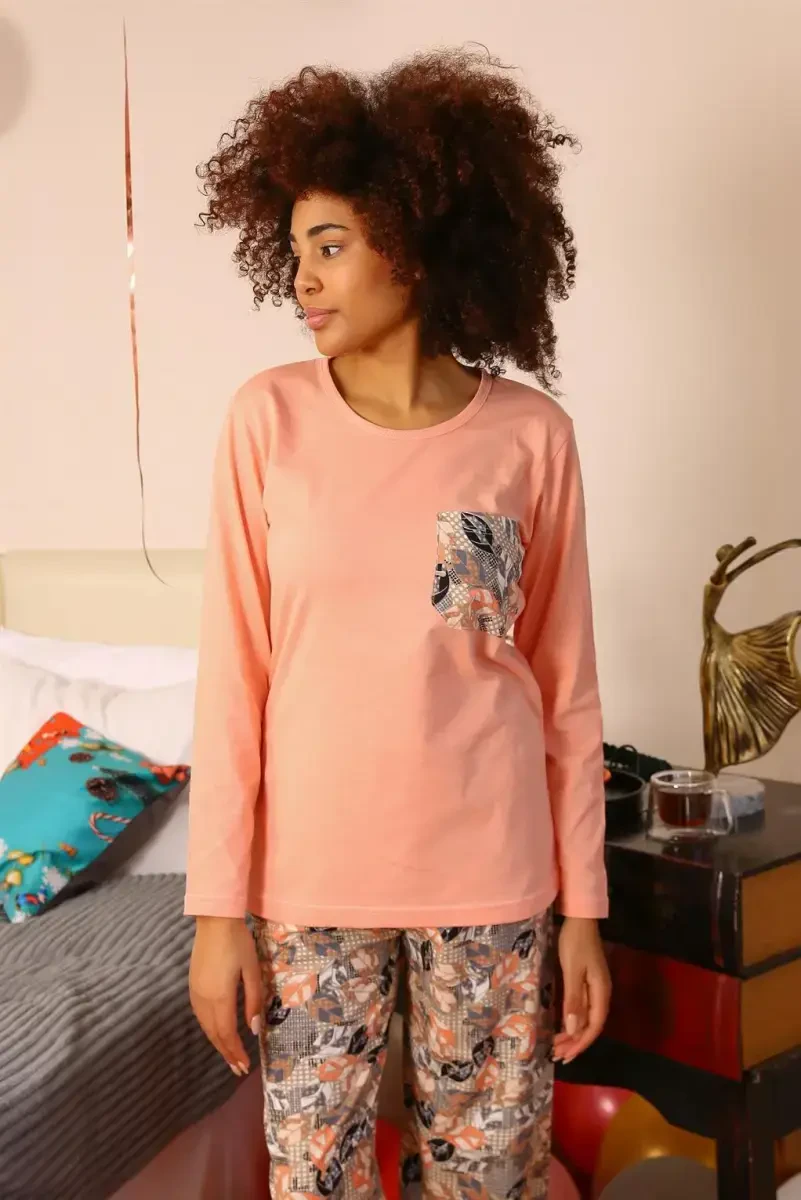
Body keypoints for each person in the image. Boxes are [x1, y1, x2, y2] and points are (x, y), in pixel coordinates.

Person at [185, 47, 611, 1200]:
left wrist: (584, 909)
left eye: (330, 246)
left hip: (494, 876)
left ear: (414, 244)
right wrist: (217, 911)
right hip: (311, 885)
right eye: (294, 252)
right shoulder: (266, 422)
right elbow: (234, 680)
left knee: (488, 1179)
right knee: (314, 1181)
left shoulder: (529, 438)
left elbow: (564, 687)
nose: (303, 280)